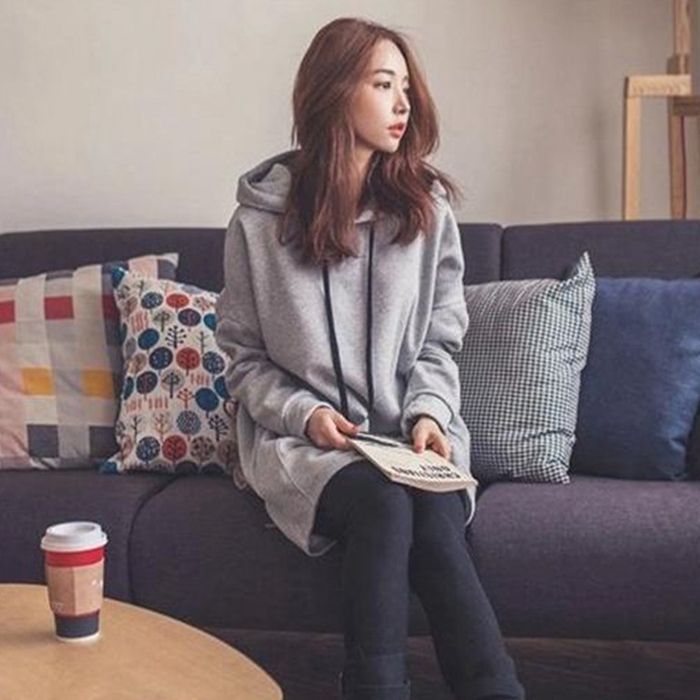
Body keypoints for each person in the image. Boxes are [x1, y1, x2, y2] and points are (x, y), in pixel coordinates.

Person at [214, 16, 525, 700]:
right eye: (383, 85)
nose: (403, 103)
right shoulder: (258, 224)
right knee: (384, 505)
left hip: (410, 438)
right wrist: (306, 414)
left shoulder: (426, 209)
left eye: (405, 87)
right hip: (306, 443)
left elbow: (442, 337)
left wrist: (430, 413)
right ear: (332, 92)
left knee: (434, 518)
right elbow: (244, 358)